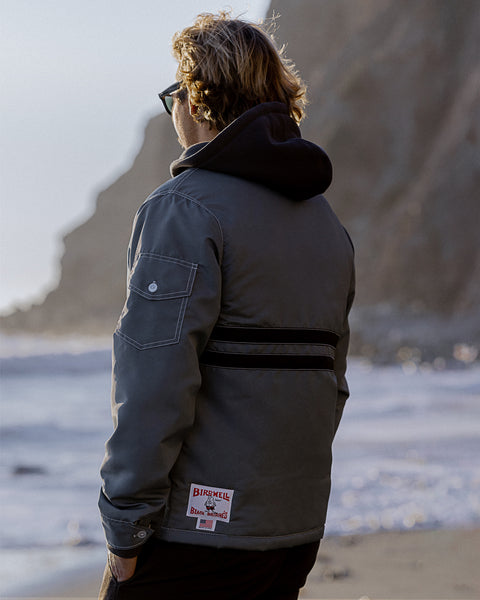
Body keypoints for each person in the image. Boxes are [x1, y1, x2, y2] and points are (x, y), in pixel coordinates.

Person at [98, 11, 355, 600]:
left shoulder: (184, 210)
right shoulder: (325, 222)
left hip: (197, 534)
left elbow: (154, 379)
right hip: (294, 527)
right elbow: (331, 383)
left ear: (198, 97)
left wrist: (127, 522)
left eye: (174, 96)